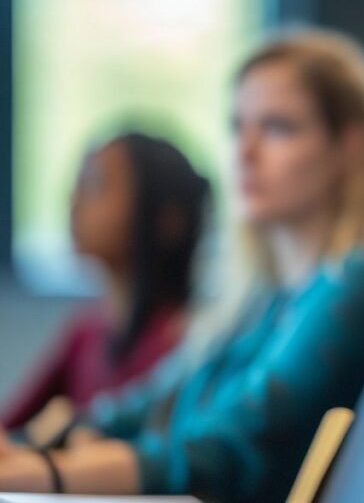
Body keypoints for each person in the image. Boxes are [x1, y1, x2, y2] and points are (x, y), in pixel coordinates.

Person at [0, 30, 364, 502]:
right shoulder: (266, 297)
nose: (245, 152)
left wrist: (43, 471)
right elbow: (145, 406)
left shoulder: (361, 284)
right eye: (238, 127)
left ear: (350, 147)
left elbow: (224, 454)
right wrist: (25, 447)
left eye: (277, 127)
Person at [2, 133, 209, 431]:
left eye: (96, 184)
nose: (74, 200)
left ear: (165, 219)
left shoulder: (181, 347)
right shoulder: (86, 333)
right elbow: (10, 427)